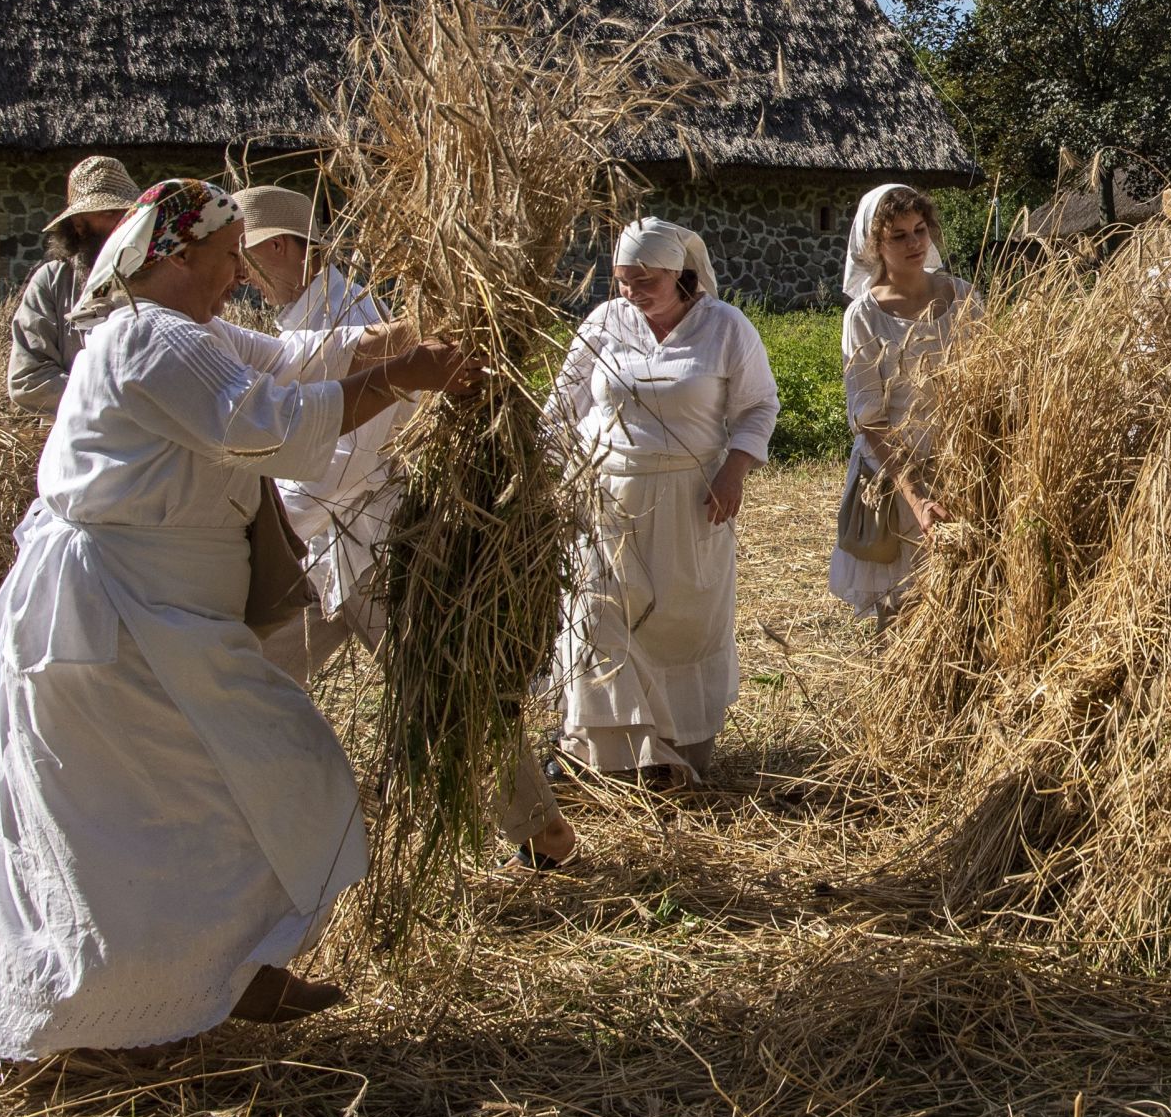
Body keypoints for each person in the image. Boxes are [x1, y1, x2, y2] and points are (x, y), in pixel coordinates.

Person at [0, 180, 478, 1058]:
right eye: (224, 261)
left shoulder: (195, 333)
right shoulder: (147, 337)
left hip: (168, 620)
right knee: (139, 814)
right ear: (174, 258)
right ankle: (123, 999)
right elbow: (265, 422)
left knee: (217, 792)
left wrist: (406, 335)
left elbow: (293, 359)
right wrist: (399, 378)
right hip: (115, 624)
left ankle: (228, 973)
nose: (237, 278)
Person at [232, 186, 576, 868]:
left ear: (278, 246)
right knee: (246, 678)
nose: (242, 273)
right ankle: (264, 834)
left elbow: (349, 456)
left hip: (370, 547)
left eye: (246, 256)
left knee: (449, 696)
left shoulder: (350, 311)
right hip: (319, 550)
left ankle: (545, 833)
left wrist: (267, 514)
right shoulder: (303, 319)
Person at [549, 218, 780, 788]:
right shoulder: (604, 323)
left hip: (691, 499)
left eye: (645, 279)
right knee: (594, 619)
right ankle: (606, 754)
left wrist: (734, 470)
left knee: (681, 624)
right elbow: (561, 407)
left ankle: (674, 752)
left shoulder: (724, 327)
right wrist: (543, 476)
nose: (631, 291)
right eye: (623, 279)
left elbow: (758, 407)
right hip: (605, 499)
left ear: (680, 273)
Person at [828, 184, 980, 620]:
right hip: (894, 475)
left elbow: (989, 383)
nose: (915, 243)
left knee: (963, 601)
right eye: (898, 236)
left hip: (960, 463)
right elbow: (870, 420)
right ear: (874, 244)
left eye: (919, 230)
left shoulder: (962, 296)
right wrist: (915, 498)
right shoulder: (864, 316)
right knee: (900, 606)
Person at [5, 155, 140, 413]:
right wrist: (117, 401)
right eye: (110, 213)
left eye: (129, 213)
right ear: (79, 224)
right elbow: (28, 380)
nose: (123, 223)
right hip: (78, 437)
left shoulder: (157, 273)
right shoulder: (52, 282)